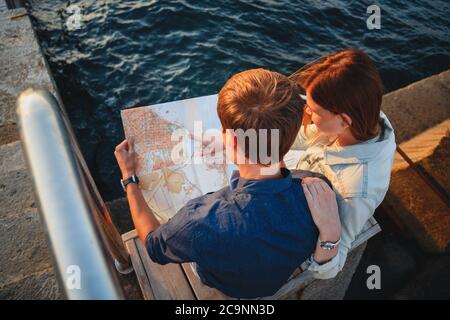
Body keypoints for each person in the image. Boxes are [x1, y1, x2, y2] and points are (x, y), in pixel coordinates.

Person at [114, 68, 340, 299]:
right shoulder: (317, 190)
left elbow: (153, 245)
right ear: (291, 135)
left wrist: (130, 178)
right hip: (273, 281)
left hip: (224, 284)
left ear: (231, 139)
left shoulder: (199, 221)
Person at [290, 48, 396, 279]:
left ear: (344, 121)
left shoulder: (353, 194)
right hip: (305, 170)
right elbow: (308, 134)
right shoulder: (369, 118)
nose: (306, 112)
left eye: (314, 110)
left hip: (304, 215)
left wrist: (329, 231)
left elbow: (332, 267)